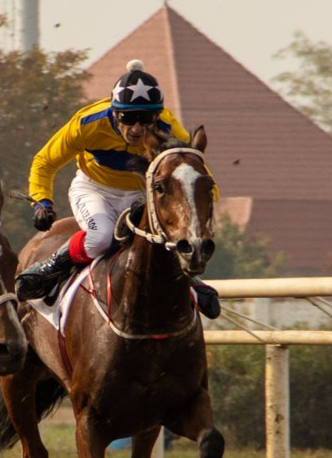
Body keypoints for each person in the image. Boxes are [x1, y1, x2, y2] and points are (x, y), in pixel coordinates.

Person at [14, 59, 220, 319]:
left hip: (139, 193)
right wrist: (41, 201)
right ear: (114, 111)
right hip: (94, 189)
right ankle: (52, 265)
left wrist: (205, 203)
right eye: (128, 118)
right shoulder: (87, 123)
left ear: (157, 116)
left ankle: (189, 282)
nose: (136, 128)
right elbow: (45, 161)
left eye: (145, 120)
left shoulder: (167, 125)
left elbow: (193, 168)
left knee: (159, 235)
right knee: (102, 237)